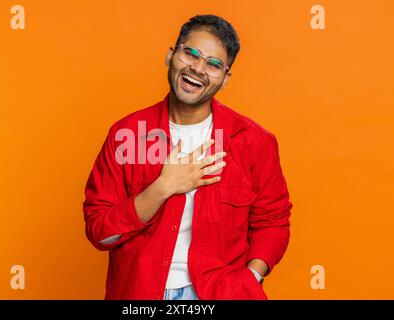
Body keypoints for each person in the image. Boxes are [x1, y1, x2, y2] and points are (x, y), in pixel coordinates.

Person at [83, 14, 293, 300]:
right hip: (140, 294)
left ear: (225, 78)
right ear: (171, 55)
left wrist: (251, 277)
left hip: (220, 294)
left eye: (214, 64)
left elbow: (273, 222)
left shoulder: (254, 142)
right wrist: (161, 188)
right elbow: (99, 232)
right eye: (190, 53)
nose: (198, 68)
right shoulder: (127, 134)